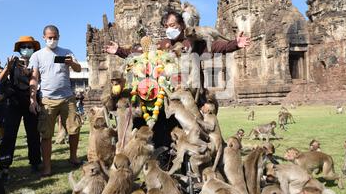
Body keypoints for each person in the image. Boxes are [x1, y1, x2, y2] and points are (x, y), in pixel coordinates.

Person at [105, 10, 251, 149]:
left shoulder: (192, 41)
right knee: (165, 135)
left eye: (172, 25)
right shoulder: (163, 45)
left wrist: (235, 44)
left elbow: (215, 46)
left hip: (190, 98)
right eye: (166, 27)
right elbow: (141, 55)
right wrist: (119, 51)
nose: (169, 29)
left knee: (195, 134)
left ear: (181, 25)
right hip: (168, 100)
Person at [29, 25, 82, 177]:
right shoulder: (37, 56)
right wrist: (32, 98)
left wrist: (71, 63)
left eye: (55, 37)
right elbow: (34, 78)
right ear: (43, 37)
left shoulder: (67, 52)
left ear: (59, 36)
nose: (52, 40)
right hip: (47, 99)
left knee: (74, 129)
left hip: (67, 97)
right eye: (49, 37)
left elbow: (78, 69)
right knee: (46, 134)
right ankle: (47, 167)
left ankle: (73, 157)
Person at [0, 36, 43, 180]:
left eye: (30, 47)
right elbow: (0, 80)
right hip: (14, 102)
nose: (27, 49)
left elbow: (37, 80)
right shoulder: (13, 62)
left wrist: (33, 100)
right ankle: (4, 165)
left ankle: (35, 163)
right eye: (24, 47)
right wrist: (8, 67)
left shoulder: (37, 62)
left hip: (31, 101)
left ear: (34, 49)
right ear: (19, 49)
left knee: (33, 134)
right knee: (9, 134)